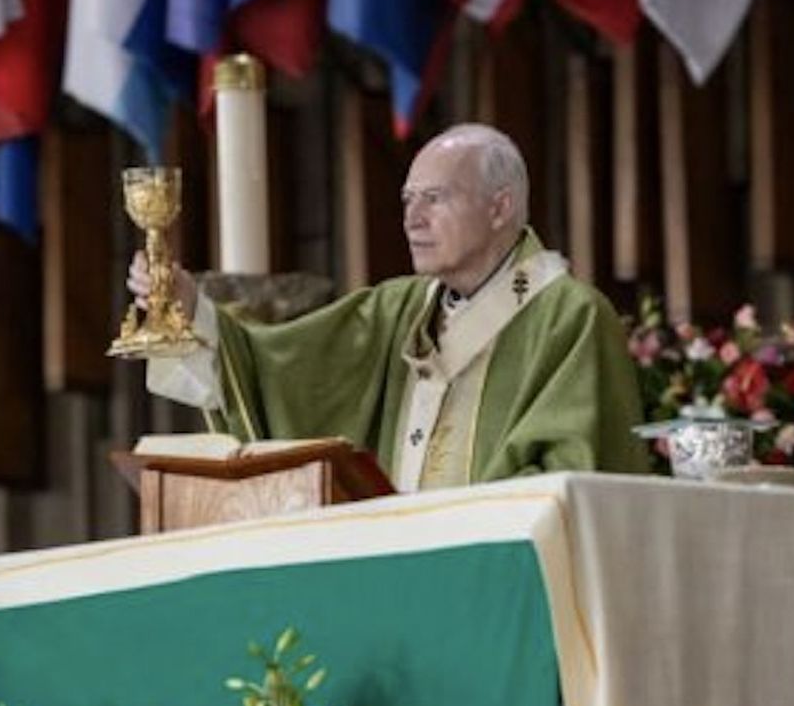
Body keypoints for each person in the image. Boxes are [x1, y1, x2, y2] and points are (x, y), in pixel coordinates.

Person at [130, 123, 649, 490]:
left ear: (499, 208)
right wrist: (193, 309)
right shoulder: (397, 310)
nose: (412, 219)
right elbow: (277, 369)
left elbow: (578, 475)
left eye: (434, 198)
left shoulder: (570, 317)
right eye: (407, 199)